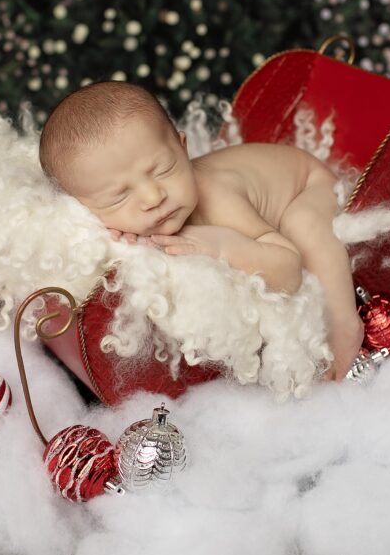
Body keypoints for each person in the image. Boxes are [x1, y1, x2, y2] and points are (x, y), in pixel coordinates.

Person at [39, 81, 365, 379]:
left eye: (164, 169)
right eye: (119, 197)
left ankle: (345, 325)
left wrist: (225, 246)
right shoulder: (105, 220)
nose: (154, 197)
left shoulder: (216, 197)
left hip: (306, 183)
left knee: (303, 226)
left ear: (183, 148)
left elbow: (288, 268)